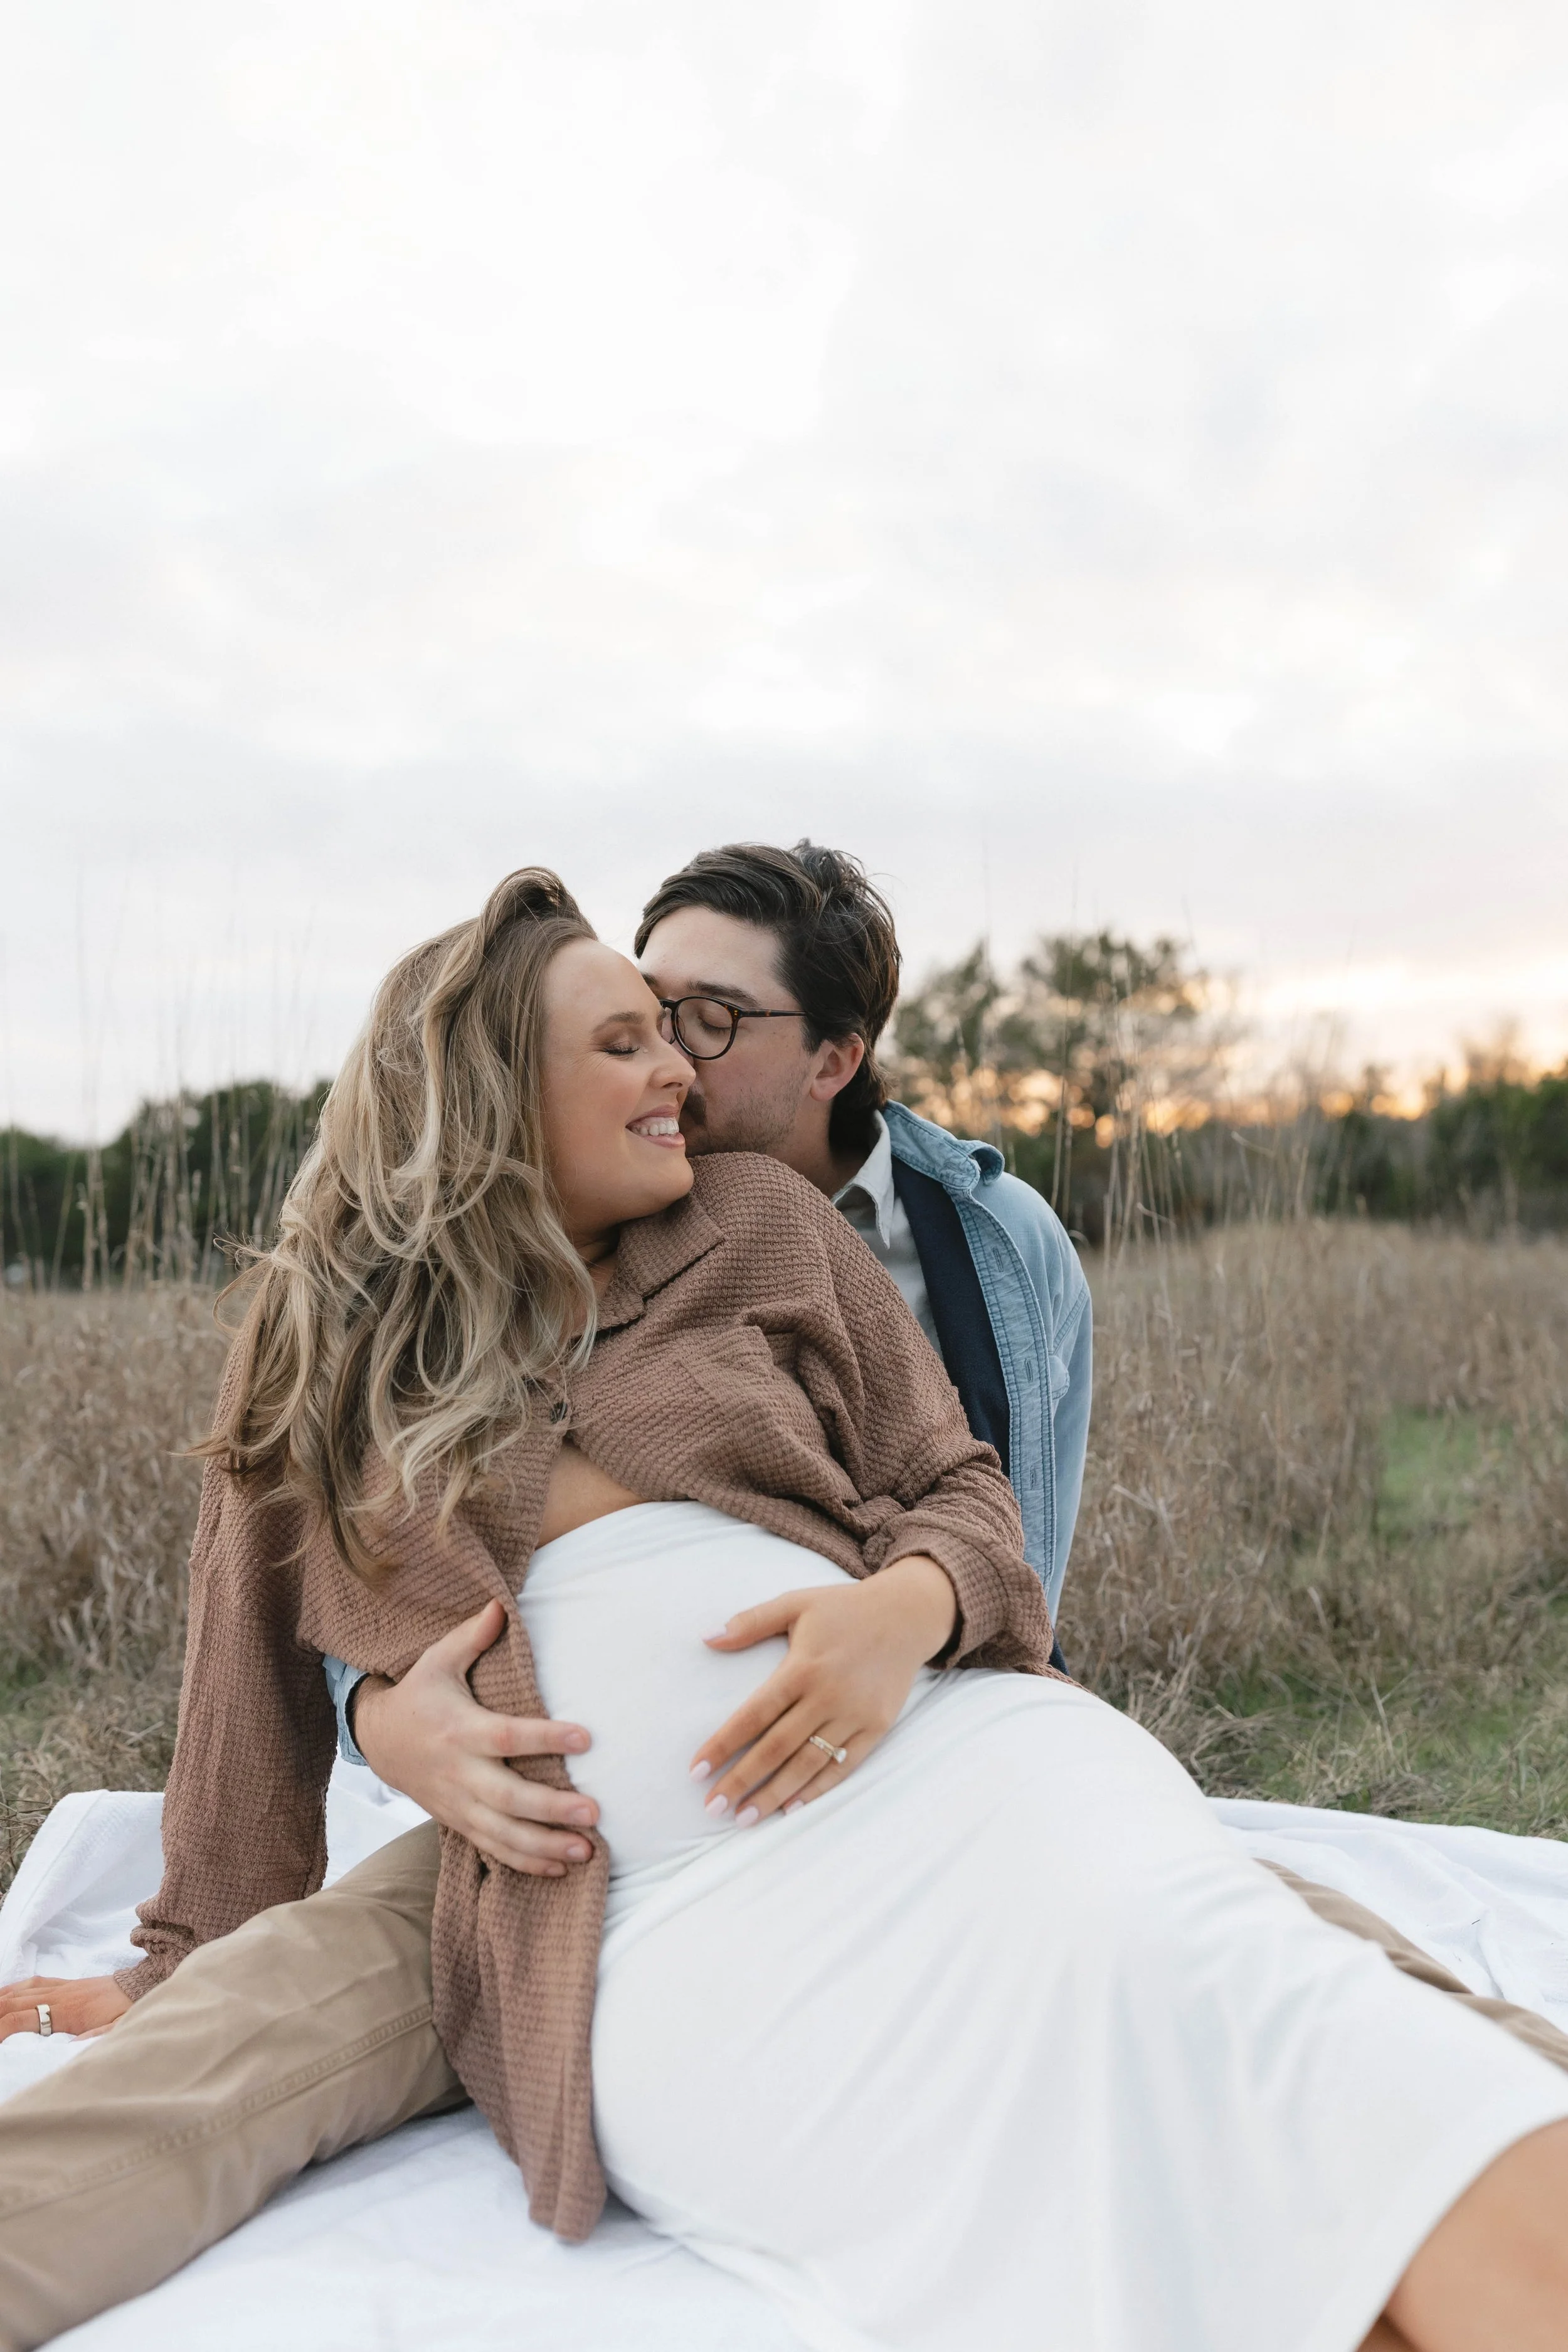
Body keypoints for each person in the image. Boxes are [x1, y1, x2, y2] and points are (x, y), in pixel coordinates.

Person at [6, 869, 1568, 2352]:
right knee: (1121, 2220)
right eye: (626, 1038)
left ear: (831, 1055)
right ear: (485, 1094)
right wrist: (207, 1919)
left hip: (952, 1778)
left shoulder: (762, 1228)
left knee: (1285, 2023)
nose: (674, 1071)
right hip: (618, 1898)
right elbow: (242, 1690)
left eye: (694, 1028)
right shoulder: (328, 1349)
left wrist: (900, 1613)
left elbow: (968, 1501)